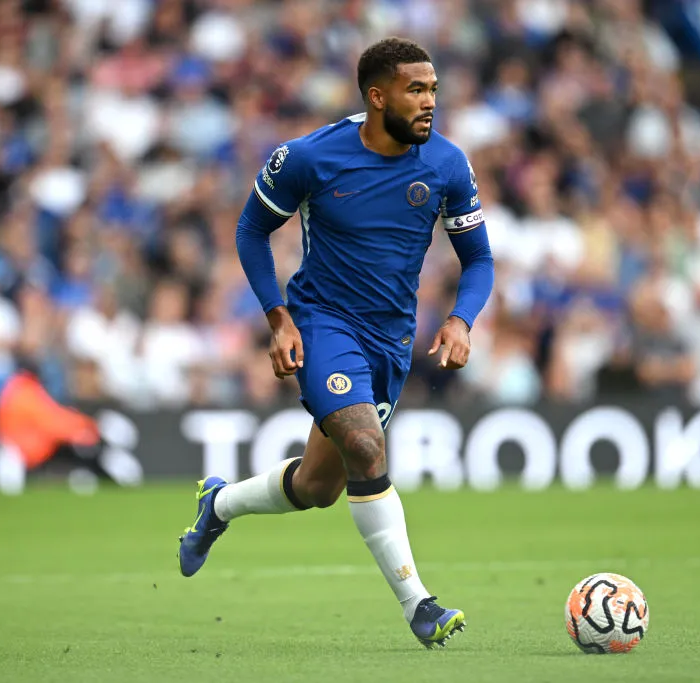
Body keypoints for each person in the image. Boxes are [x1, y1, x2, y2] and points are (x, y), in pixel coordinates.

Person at [177, 38, 494, 648]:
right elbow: (250, 230)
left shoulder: (448, 165)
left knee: (319, 487)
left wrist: (461, 319)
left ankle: (218, 506)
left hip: (391, 340)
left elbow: (478, 258)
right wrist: (278, 318)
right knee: (367, 447)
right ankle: (420, 606)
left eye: (433, 89)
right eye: (415, 90)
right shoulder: (308, 157)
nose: (430, 101)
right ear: (377, 96)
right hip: (324, 324)